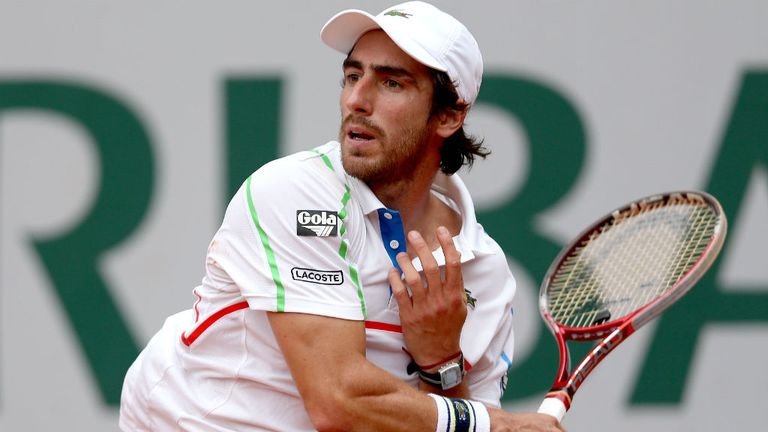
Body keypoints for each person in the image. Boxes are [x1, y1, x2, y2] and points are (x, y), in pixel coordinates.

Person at [119, 2, 564, 431]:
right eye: (353, 75)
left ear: (448, 115)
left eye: (391, 83)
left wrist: (442, 363)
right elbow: (337, 401)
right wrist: (497, 424)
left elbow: (459, 428)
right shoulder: (295, 193)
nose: (357, 99)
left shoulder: (484, 274)